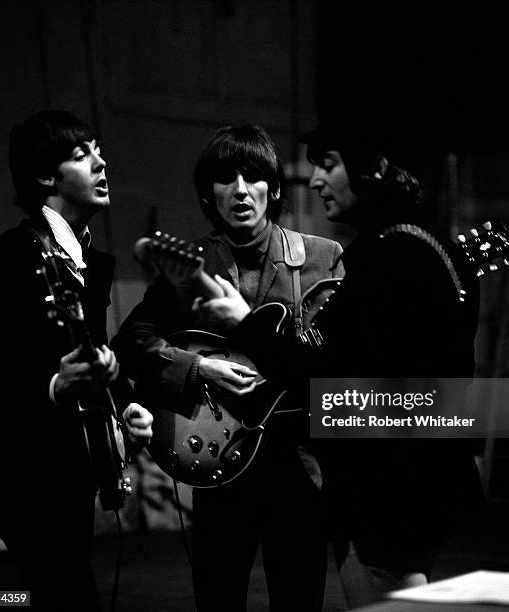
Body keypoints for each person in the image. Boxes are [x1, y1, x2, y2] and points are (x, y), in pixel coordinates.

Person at [111, 124, 344, 611]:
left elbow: (344, 362)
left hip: (299, 462)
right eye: (225, 179)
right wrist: (198, 369)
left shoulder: (323, 258)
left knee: (299, 597)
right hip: (219, 457)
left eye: (253, 176)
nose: (240, 190)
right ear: (207, 195)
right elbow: (130, 341)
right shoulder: (191, 265)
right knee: (217, 597)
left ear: (274, 188)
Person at [0, 110, 153, 611]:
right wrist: (53, 385)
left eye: (98, 149)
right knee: (56, 594)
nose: (101, 161)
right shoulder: (11, 257)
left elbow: (92, 353)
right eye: (81, 153)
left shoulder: (83, 259)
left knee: (54, 592)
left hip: (68, 470)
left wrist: (125, 404)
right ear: (47, 177)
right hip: (22, 473)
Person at [297, 119, 485, 606]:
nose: (316, 180)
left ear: (376, 168)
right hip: (423, 480)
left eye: (328, 164)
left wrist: (247, 324)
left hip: (383, 492)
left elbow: (337, 375)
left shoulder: (388, 258)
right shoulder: (437, 246)